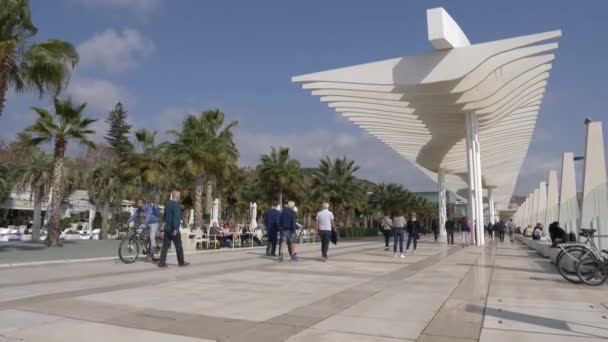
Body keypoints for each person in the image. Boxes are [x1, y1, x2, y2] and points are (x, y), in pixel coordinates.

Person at [158, 191, 189, 268]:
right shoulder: (176, 206)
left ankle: (161, 262)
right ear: (178, 197)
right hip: (173, 229)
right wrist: (175, 229)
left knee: (165, 246)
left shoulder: (167, 204)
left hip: (167, 228)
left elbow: (164, 216)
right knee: (178, 246)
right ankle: (181, 262)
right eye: (179, 196)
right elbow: (176, 217)